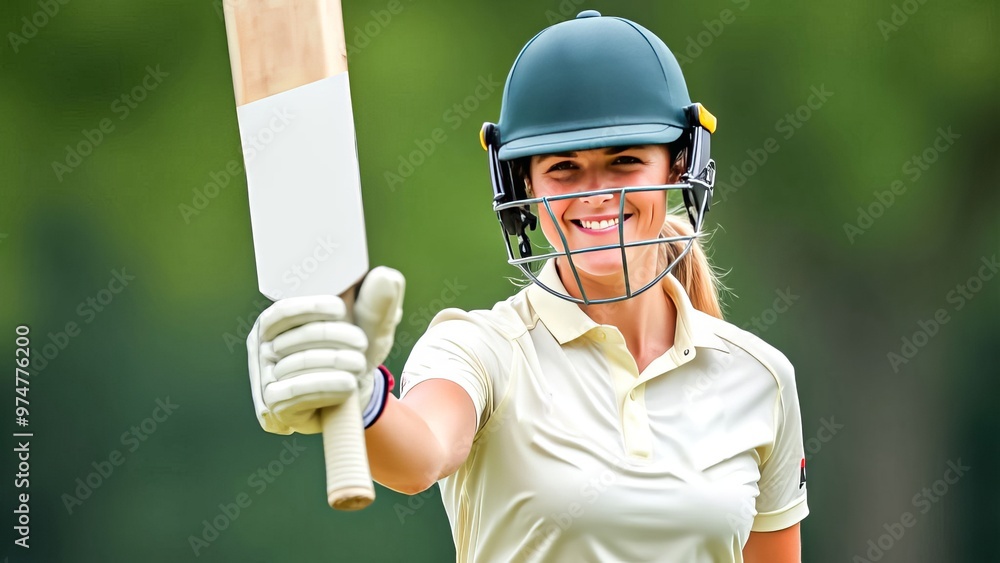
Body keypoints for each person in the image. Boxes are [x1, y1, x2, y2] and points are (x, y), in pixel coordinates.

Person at [247, 11, 808, 562]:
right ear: (523, 184)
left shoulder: (760, 378)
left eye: (626, 160)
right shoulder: (481, 347)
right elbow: (420, 455)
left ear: (678, 165)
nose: (595, 194)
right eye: (564, 167)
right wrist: (362, 398)